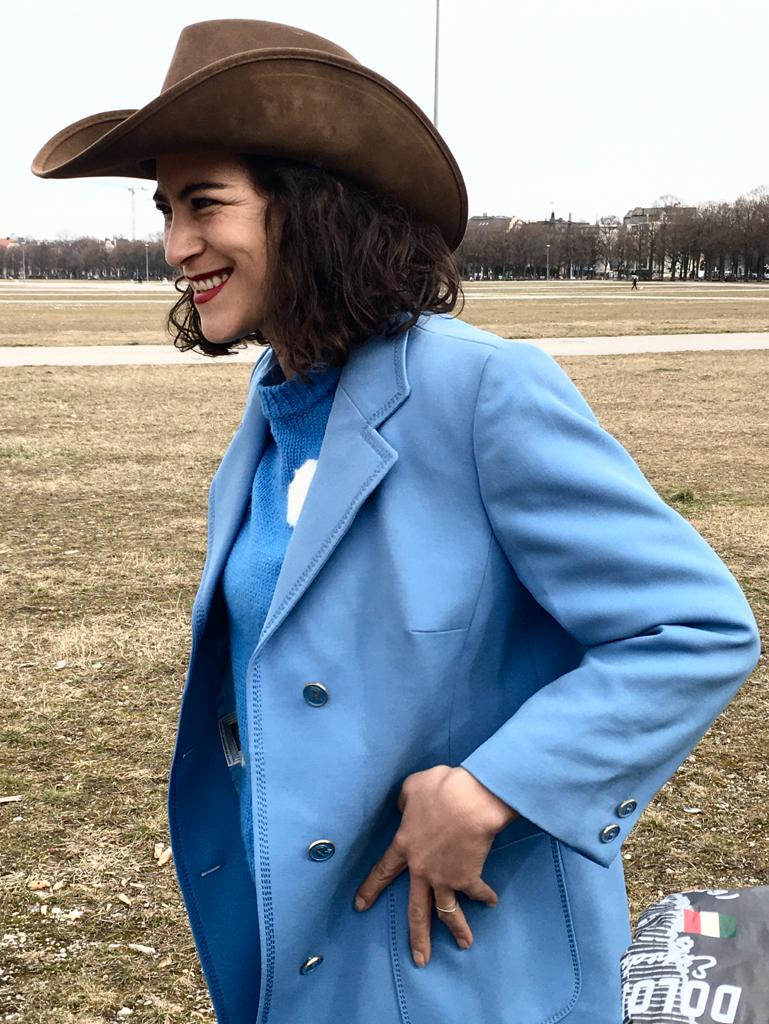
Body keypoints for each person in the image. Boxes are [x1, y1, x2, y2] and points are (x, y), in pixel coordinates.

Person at [31, 19, 761, 1024]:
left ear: (311, 208)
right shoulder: (277, 404)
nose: (175, 246)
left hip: (462, 970)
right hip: (302, 949)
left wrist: (492, 787)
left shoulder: (481, 390)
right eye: (166, 210)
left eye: (205, 203)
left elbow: (692, 628)